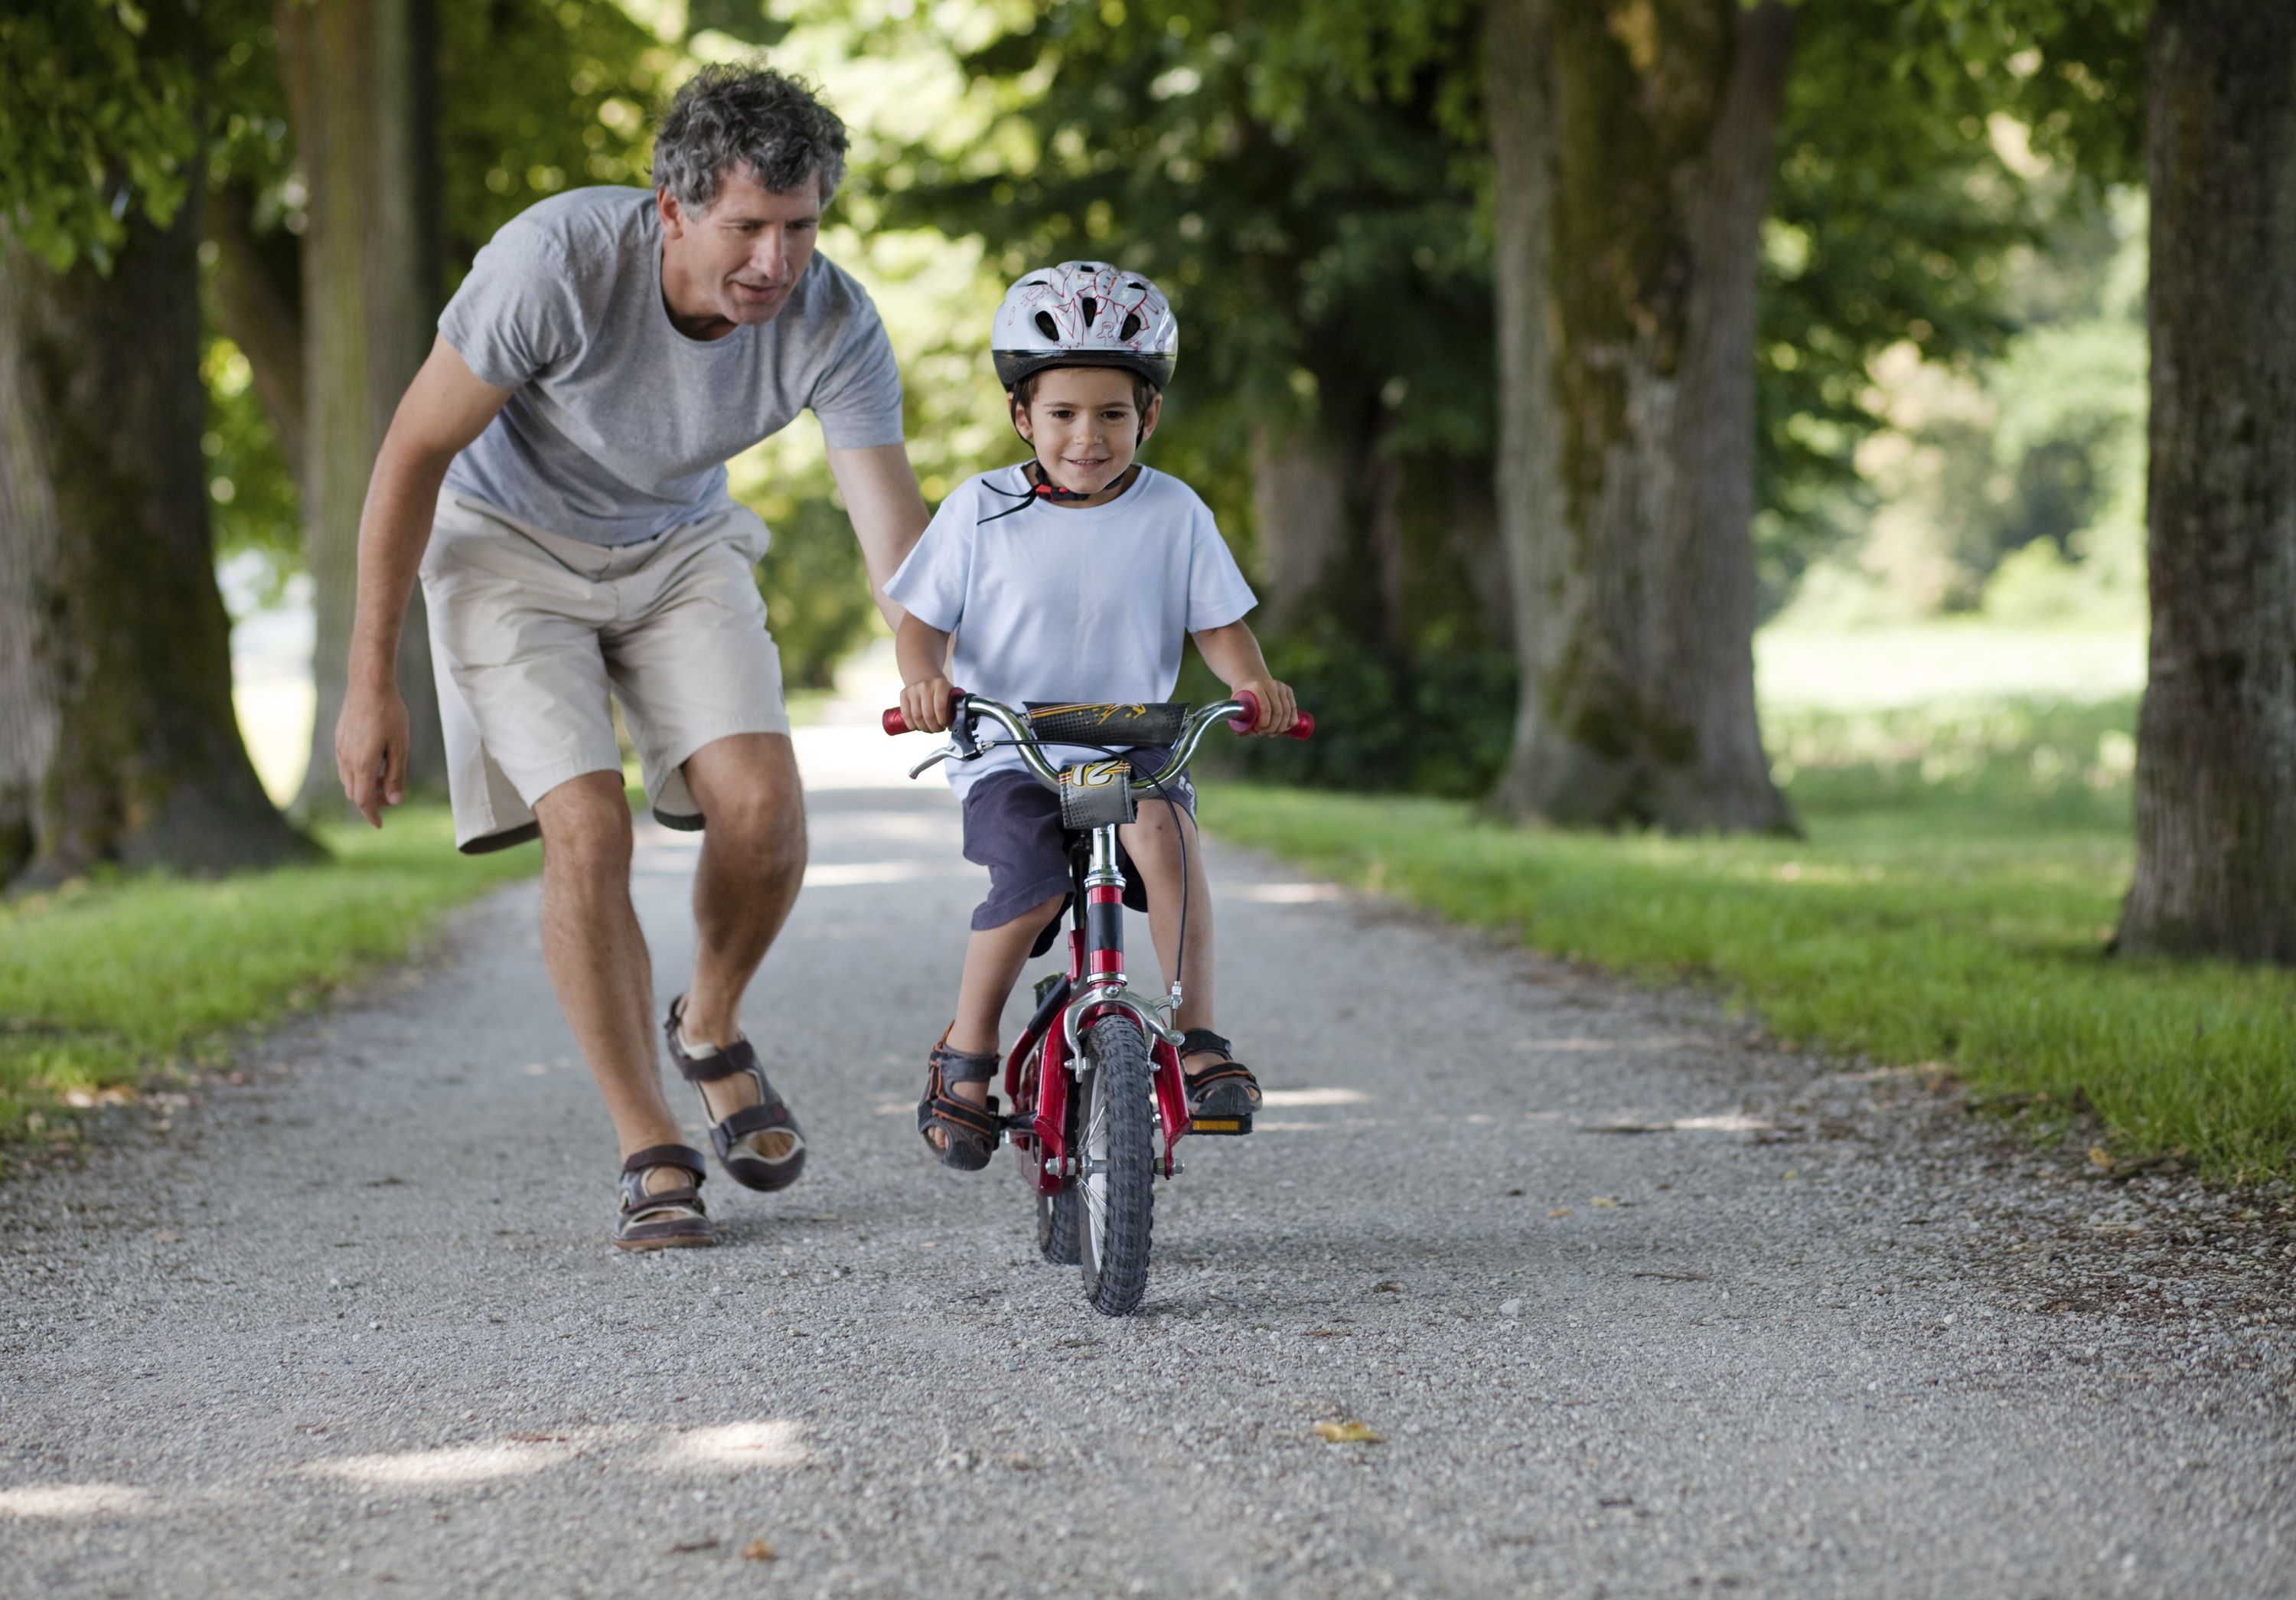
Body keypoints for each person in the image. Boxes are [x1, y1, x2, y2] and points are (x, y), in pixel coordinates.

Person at [331, 65, 931, 1248]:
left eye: (801, 226)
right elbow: (410, 454)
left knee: (762, 811)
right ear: (672, 208)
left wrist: (928, 663)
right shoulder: (553, 263)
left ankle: (708, 1024)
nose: (775, 261)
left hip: (674, 548)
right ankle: (647, 1139)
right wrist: (369, 682)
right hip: (505, 550)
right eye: (746, 227)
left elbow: (890, 525)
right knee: (588, 825)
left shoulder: (834, 319)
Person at [886, 261, 1298, 1170]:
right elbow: (920, 628)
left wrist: (1256, 685)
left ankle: (1197, 1037)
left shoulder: (1175, 511)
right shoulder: (979, 510)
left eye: (1113, 413)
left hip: (1133, 742)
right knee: (1028, 883)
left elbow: (1222, 630)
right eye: (1064, 413)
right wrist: (923, 681)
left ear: (1147, 417)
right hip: (1011, 744)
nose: (1088, 435)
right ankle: (969, 1050)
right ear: (1021, 416)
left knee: (1169, 839)